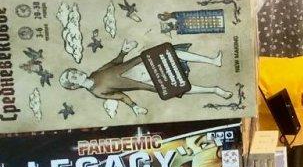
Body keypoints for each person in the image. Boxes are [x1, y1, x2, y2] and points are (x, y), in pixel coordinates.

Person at [59, 40, 232, 117]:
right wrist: (134, 107)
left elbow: (116, 62)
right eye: (73, 77)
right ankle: (215, 91)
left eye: (74, 71)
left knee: (173, 52)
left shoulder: (96, 73)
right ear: (74, 86)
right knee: (181, 87)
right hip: (147, 83)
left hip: (141, 63)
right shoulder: (97, 92)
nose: (76, 74)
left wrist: (124, 50)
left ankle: (213, 61)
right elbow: (121, 96)